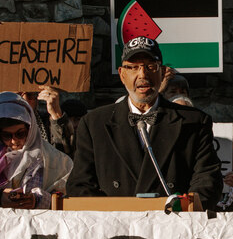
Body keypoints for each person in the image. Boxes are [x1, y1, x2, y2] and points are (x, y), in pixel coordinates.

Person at [67, 37, 222, 208]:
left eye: (150, 67)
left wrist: (183, 210)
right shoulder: (94, 123)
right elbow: (80, 185)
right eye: (133, 67)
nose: (143, 75)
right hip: (116, 227)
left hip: (173, 226)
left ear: (162, 72)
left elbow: (207, 180)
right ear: (122, 74)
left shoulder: (194, 121)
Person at [0, 92, 72, 208]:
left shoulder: (55, 159)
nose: (14, 141)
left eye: (20, 134)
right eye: (7, 136)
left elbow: (67, 197)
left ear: (30, 130)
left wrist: (37, 200)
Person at [19, 87, 72, 154]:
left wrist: (56, 115)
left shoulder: (47, 123)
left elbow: (66, 156)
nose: (25, 100)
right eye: (18, 95)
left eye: (30, 95)